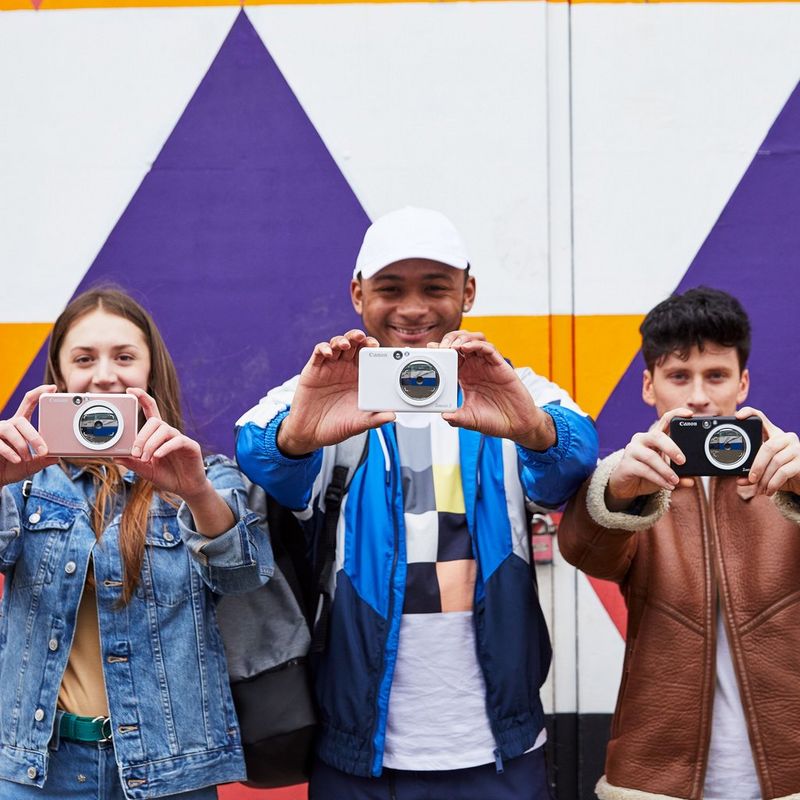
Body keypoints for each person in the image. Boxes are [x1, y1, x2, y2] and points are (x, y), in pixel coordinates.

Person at [236, 207, 598, 799]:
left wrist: (530, 427)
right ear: (357, 293)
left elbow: (573, 456)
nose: (412, 309)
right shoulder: (325, 389)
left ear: (468, 291)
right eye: (389, 288)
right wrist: (299, 434)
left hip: (499, 750)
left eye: (434, 287)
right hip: (356, 753)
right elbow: (259, 454)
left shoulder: (513, 388)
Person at [0, 287, 272, 799]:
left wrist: (194, 492)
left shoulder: (205, 476)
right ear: (59, 377)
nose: (104, 374)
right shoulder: (25, 483)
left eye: (124, 356)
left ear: (150, 372)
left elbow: (244, 576)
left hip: (170, 773)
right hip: (38, 773)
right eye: (84, 358)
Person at [558, 286, 800, 800]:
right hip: (658, 776)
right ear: (648, 386)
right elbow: (583, 551)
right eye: (677, 376)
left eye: (716, 375)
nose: (697, 395)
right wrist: (618, 489)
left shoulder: (788, 472)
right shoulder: (631, 479)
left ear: (744, 382)